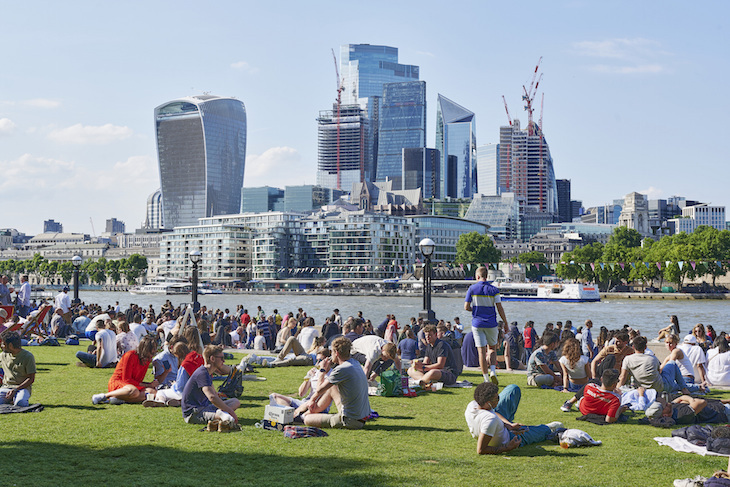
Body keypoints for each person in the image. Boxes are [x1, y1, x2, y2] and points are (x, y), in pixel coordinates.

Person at [464, 381, 559, 455]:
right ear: (488, 402)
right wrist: (508, 448)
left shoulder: (473, 405)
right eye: (497, 398)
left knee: (513, 389)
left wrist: (509, 425)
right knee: (538, 431)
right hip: (510, 438)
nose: (498, 400)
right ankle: (548, 429)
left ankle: (511, 424)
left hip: (502, 429)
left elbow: (494, 412)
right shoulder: (490, 420)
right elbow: (481, 450)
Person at [303, 337, 371, 430]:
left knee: (307, 419)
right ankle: (311, 411)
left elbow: (319, 389)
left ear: (337, 353)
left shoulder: (342, 369)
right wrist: (313, 399)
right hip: (361, 417)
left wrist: (322, 370)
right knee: (332, 387)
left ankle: (306, 414)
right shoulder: (355, 363)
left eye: (332, 352)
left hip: (350, 420)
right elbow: (327, 387)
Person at [464, 266, 509, 385]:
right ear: (487, 276)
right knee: (492, 348)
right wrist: (505, 322)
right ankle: (493, 371)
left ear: (477, 276)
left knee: (481, 352)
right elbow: (499, 308)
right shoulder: (494, 290)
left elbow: (466, 307)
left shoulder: (472, 289)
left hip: (477, 323)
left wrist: (475, 310)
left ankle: (485, 378)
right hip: (491, 323)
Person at [181, 345, 240, 429]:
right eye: (221, 358)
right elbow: (211, 397)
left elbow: (214, 395)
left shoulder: (207, 372)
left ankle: (221, 413)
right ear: (212, 359)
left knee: (235, 401)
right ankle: (221, 414)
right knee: (229, 418)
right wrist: (229, 410)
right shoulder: (202, 373)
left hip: (204, 407)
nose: (223, 360)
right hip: (194, 413)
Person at [92, 336, 158, 405]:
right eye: (151, 352)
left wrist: (150, 385)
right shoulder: (130, 355)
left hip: (133, 385)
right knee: (134, 391)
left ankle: (119, 399)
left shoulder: (146, 360)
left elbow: (138, 381)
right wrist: (147, 385)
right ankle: (104, 396)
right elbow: (126, 379)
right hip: (119, 382)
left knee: (152, 392)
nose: (152, 355)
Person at [618, 336, 690, 395]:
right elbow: (659, 372)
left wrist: (617, 390)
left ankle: (694, 387)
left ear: (633, 347)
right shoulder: (652, 358)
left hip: (643, 387)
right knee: (672, 364)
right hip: (660, 387)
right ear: (645, 347)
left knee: (676, 385)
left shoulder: (627, 359)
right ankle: (684, 388)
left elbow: (622, 377)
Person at [0, 331, 36, 407]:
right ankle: (10, 400)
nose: (1, 346)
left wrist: (16, 389)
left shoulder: (28, 356)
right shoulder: (3, 355)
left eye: (3, 344)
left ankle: (14, 400)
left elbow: (31, 378)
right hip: (6, 387)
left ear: (10, 345)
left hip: (22, 388)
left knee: (20, 404)